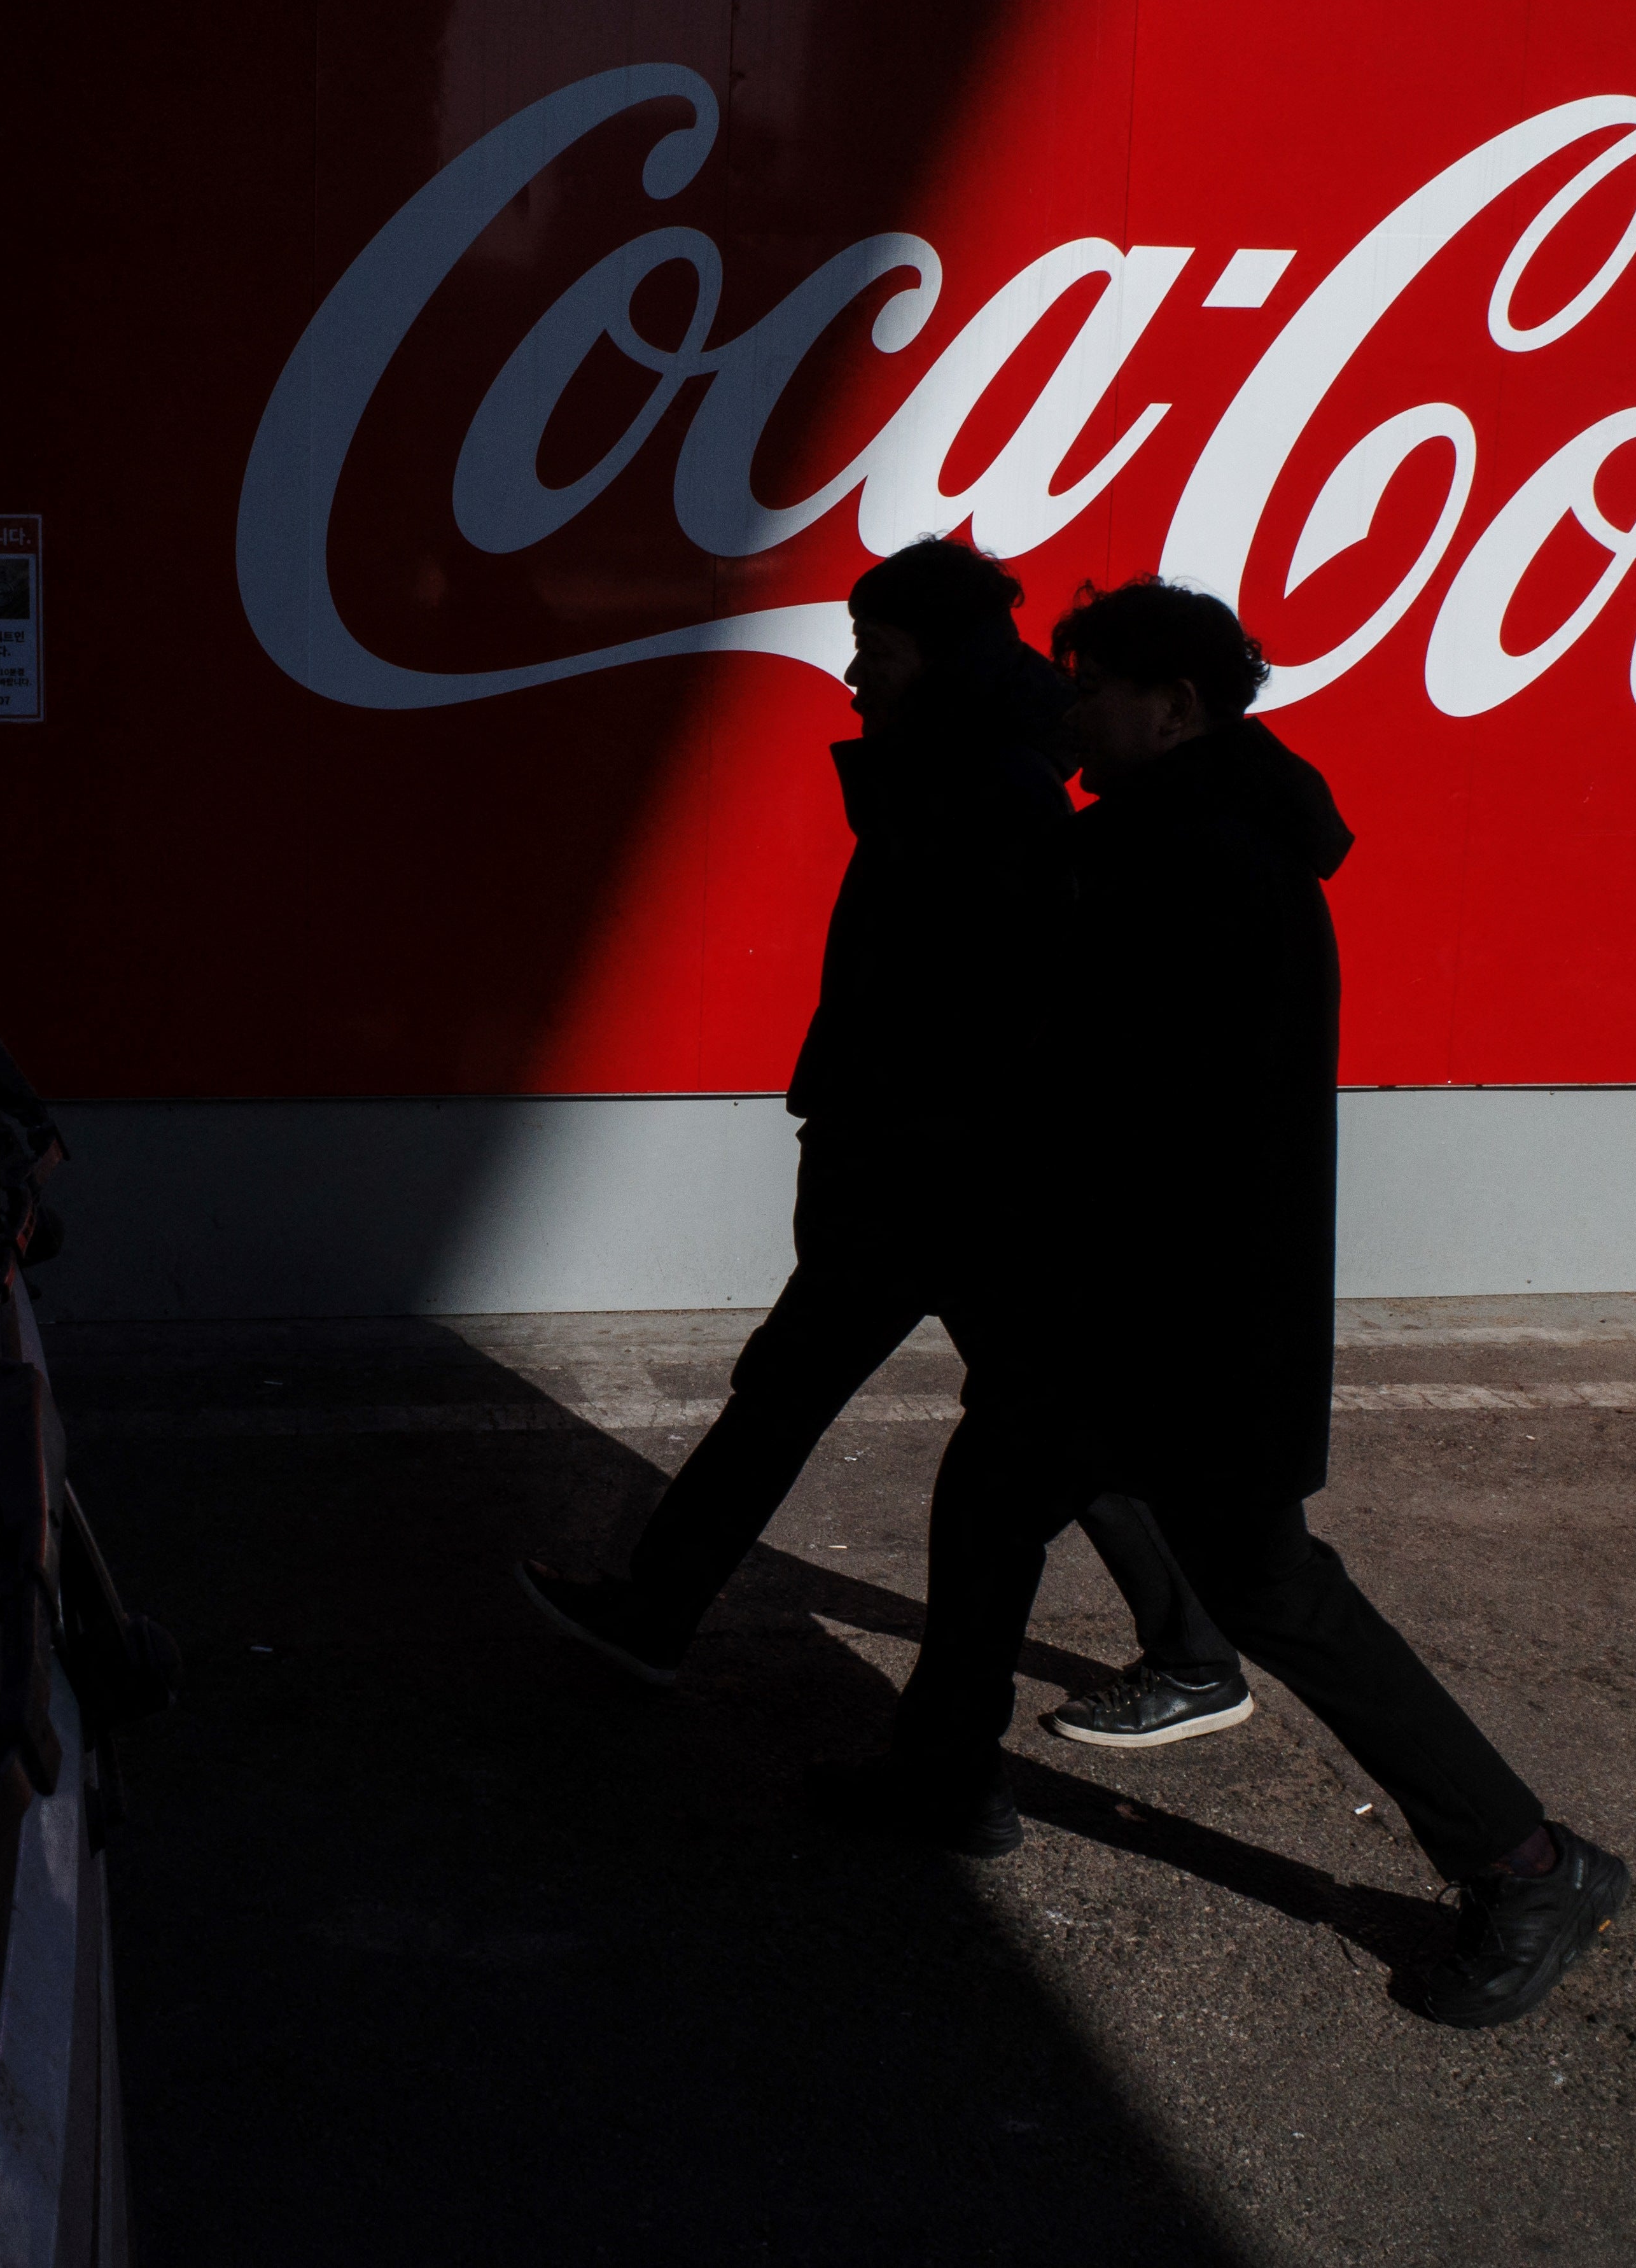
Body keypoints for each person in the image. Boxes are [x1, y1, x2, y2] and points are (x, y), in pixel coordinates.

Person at [883, 575, 1627, 2027]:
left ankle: (1530, 1862)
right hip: (1129, 1306)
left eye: (1093, 685)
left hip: (1179, 1317)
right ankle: (941, 1772)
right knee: (989, 1504)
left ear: (1178, 707)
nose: (1070, 705)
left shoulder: (1195, 859)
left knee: (1270, 1585)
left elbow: (1137, 1104)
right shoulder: (1182, 838)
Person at [514, 538, 1250, 1812]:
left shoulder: (991, 788)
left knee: (882, 1408)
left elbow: (986, 1008)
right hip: (920, 1169)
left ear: (940, 660)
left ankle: (686, 1620)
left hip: (936, 1178)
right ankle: (1178, 1649)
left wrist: (890, 1140)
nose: (855, 674)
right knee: (892, 1403)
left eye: (881, 651)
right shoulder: (954, 771)